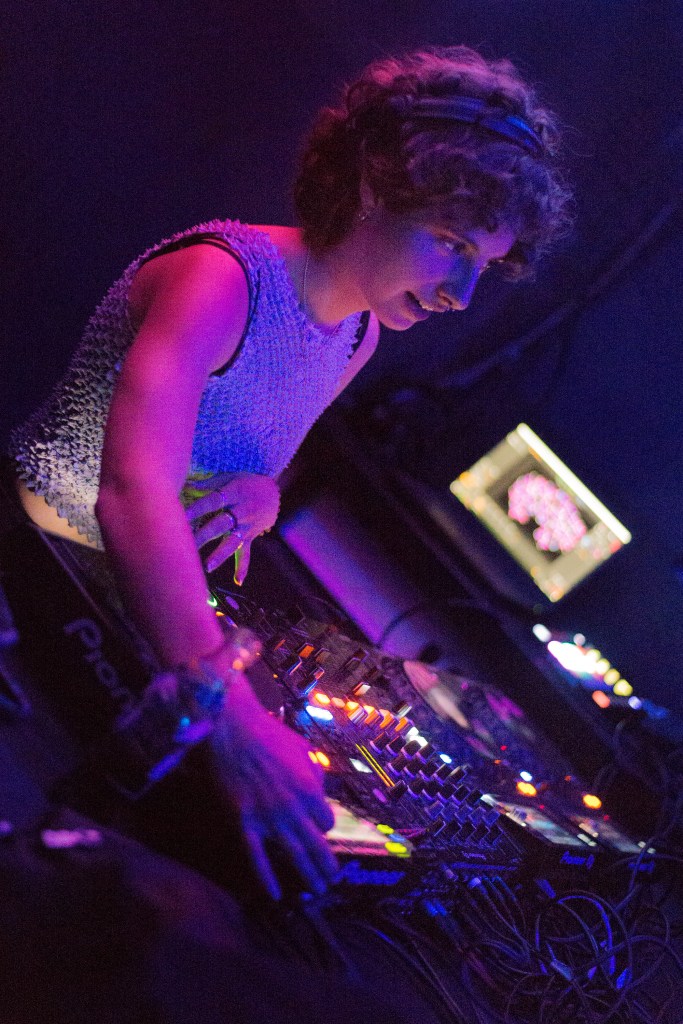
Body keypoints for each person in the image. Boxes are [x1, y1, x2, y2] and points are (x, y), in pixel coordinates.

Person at [7, 45, 572, 901]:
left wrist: (262, 493)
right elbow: (129, 495)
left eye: (482, 265)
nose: (460, 294)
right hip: (29, 575)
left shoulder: (357, 335)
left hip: (122, 607)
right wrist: (226, 720)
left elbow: (241, 438)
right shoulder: (220, 278)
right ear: (375, 183)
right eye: (450, 243)